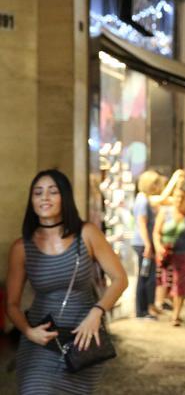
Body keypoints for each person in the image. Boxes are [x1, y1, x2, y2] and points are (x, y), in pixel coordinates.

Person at [6, 169, 129, 394]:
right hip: (40, 342)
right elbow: (12, 305)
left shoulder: (87, 234)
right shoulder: (21, 248)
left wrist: (97, 312)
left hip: (82, 342)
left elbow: (120, 278)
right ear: (31, 200)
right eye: (38, 192)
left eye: (53, 192)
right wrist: (28, 331)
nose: (44, 197)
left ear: (65, 197)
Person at [132, 169, 182, 320]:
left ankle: (146, 308)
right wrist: (148, 244)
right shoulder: (142, 200)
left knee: (148, 276)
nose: (157, 187)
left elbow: (163, 198)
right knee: (145, 277)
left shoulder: (145, 198)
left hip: (144, 243)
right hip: (143, 243)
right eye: (155, 184)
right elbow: (141, 223)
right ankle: (142, 311)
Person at [152, 186, 185, 326]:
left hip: (184, 254)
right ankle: (163, 304)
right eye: (177, 196)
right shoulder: (165, 212)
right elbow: (156, 232)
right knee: (165, 281)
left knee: (180, 283)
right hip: (166, 255)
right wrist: (158, 247)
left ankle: (176, 314)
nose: (179, 200)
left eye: (182, 197)